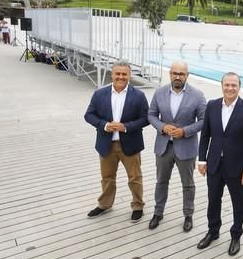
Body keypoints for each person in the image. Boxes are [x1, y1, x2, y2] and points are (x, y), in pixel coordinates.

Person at [197, 72, 243, 256]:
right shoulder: (212, 106)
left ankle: (236, 235)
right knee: (213, 199)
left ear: (239, 87)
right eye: (227, 85)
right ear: (222, 85)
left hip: (238, 168)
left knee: (238, 203)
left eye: (234, 85)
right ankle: (213, 231)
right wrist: (202, 159)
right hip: (214, 164)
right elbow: (205, 135)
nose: (230, 88)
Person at [84, 60, 150, 223]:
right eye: (117, 73)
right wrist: (104, 125)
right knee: (107, 177)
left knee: (135, 178)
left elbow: (146, 118)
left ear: (129, 75)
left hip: (130, 144)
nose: (121, 77)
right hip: (106, 144)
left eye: (124, 74)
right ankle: (105, 204)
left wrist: (125, 127)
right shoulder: (100, 94)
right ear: (112, 74)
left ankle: (137, 206)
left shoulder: (139, 95)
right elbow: (89, 115)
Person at [147, 60, 206, 232]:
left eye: (181, 74)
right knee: (161, 182)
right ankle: (158, 213)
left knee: (188, 184)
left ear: (187, 75)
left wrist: (185, 131)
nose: (178, 77)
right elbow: (151, 115)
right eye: (175, 73)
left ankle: (188, 214)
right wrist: (162, 127)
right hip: (163, 146)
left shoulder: (198, 95)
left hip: (186, 147)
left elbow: (204, 121)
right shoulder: (159, 93)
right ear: (170, 74)